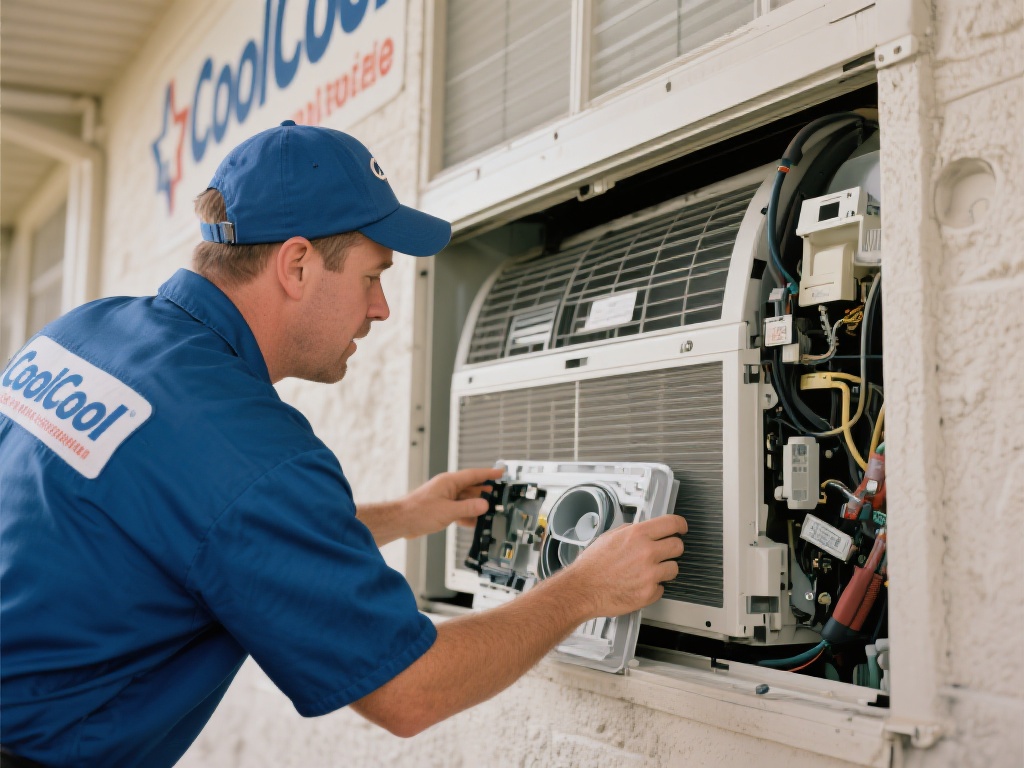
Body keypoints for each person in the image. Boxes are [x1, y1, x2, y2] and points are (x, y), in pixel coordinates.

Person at [0, 121, 687, 767]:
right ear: (296, 264)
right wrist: (583, 589)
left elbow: (191, 529)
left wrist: (403, 515)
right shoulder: (251, 454)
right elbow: (410, 691)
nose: (381, 307)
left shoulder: (82, 333)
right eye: (373, 275)